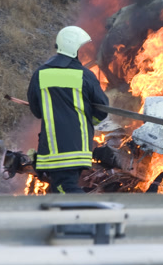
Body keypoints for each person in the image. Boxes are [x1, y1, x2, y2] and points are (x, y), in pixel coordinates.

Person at [27, 25, 109, 194]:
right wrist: (87, 121)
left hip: (52, 147)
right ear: (74, 49)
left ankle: (89, 210)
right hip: (78, 147)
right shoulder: (84, 75)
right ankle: (93, 210)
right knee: (64, 188)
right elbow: (102, 109)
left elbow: (36, 111)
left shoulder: (40, 74)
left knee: (62, 188)